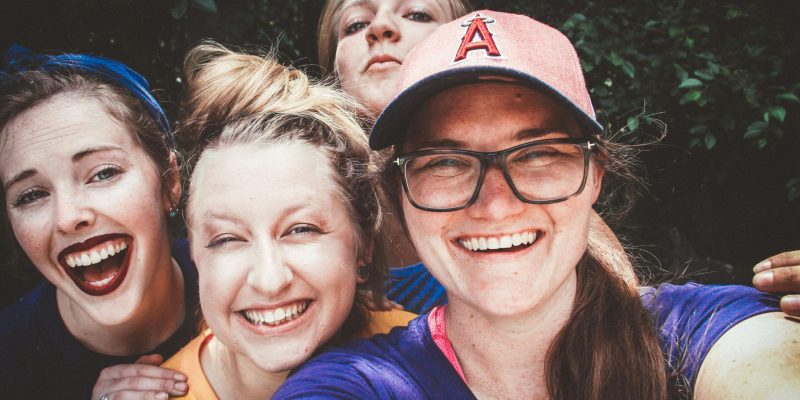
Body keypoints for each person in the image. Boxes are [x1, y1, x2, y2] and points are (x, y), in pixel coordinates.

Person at [274, 10, 800, 399]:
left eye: (538, 154)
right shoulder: (360, 382)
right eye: (446, 162)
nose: (495, 205)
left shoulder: (695, 331)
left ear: (595, 176)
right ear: (398, 192)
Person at [317, 0, 639, 313]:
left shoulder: (567, 217)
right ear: (331, 69)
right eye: (356, 24)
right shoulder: (310, 200)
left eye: (417, 14)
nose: (380, 27)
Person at [133, 43, 414, 400]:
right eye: (227, 239)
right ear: (194, 255)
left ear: (364, 246)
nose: (269, 281)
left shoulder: (433, 363)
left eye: (301, 230)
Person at [0, 46, 196, 400]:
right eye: (31, 195)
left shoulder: (247, 283)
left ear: (169, 181)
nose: (68, 218)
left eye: (103, 173)